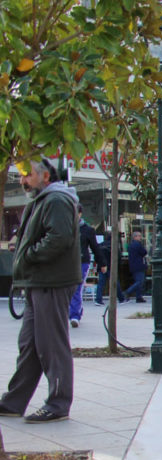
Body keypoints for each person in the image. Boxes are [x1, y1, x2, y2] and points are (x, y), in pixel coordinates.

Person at [0, 159, 80, 423]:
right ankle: (14, 401)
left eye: (27, 175)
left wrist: (28, 255)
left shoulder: (56, 199)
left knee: (51, 344)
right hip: (39, 281)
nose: (23, 181)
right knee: (30, 345)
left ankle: (58, 403)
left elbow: (58, 238)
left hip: (52, 282)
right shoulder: (44, 199)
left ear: (45, 175)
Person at [71, 214, 102, 328]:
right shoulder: (65, 227)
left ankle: (74, 315)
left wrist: (102, 262)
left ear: (79, 214)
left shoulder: (87, 230)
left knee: (77, 288)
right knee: (69, 289)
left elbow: (95, 247)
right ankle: (77, 310)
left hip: (82, 261)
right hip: (67, 262)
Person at [93, 230, 125, 306]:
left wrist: (99, 264)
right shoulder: (114, 246)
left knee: (101, 283)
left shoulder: (100, 245)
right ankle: (121, 298)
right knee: (115, 283)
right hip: (111, 266)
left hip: (102, 267)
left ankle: (98, 299)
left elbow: (96, 257)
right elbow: (119, 257)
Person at [123, 230, 148, 302]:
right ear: (135, 237)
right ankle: (128, 292)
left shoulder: (130, 245)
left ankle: (138, 296)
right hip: (139, 265)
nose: (141, 237)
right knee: (140, 281)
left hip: (133, 265)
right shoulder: (138, 245)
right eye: (139, 236)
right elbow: (144, 252)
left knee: (138, 281)